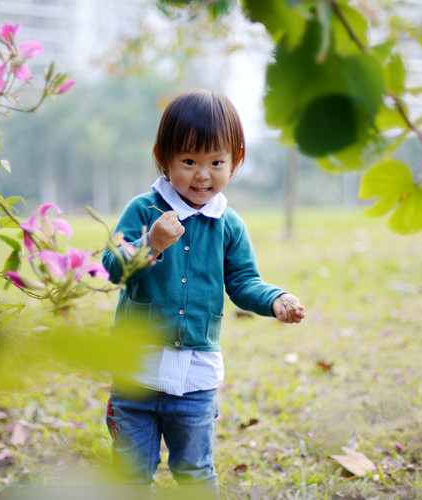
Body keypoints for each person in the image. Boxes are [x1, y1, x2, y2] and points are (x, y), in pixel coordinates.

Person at [101, 88, 306, 492]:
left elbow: (244, 282)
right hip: (134, 375)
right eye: (189, 161)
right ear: (163, 157)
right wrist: (150, 245)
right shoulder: (144, 211)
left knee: (195, 472)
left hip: (195, 381)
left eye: (216, 162)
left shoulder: (229, 225)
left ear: (236, 161)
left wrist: (275, 298)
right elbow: (112, 267)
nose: (202, 175)